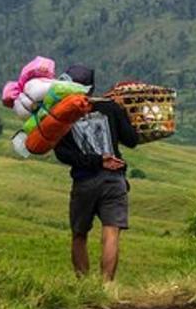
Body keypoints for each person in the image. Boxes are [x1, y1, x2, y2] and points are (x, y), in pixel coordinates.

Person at [54, 64, 139, 281]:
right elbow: (132, 140)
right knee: (111, 232)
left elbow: (62, 154)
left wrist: (92, 161)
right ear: (91, 89)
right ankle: (107, 286)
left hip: (84, 181)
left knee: (79, 234)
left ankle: (84, 288)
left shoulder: (61, 115)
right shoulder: (110, 108)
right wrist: (122, 112)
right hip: (114, 179)